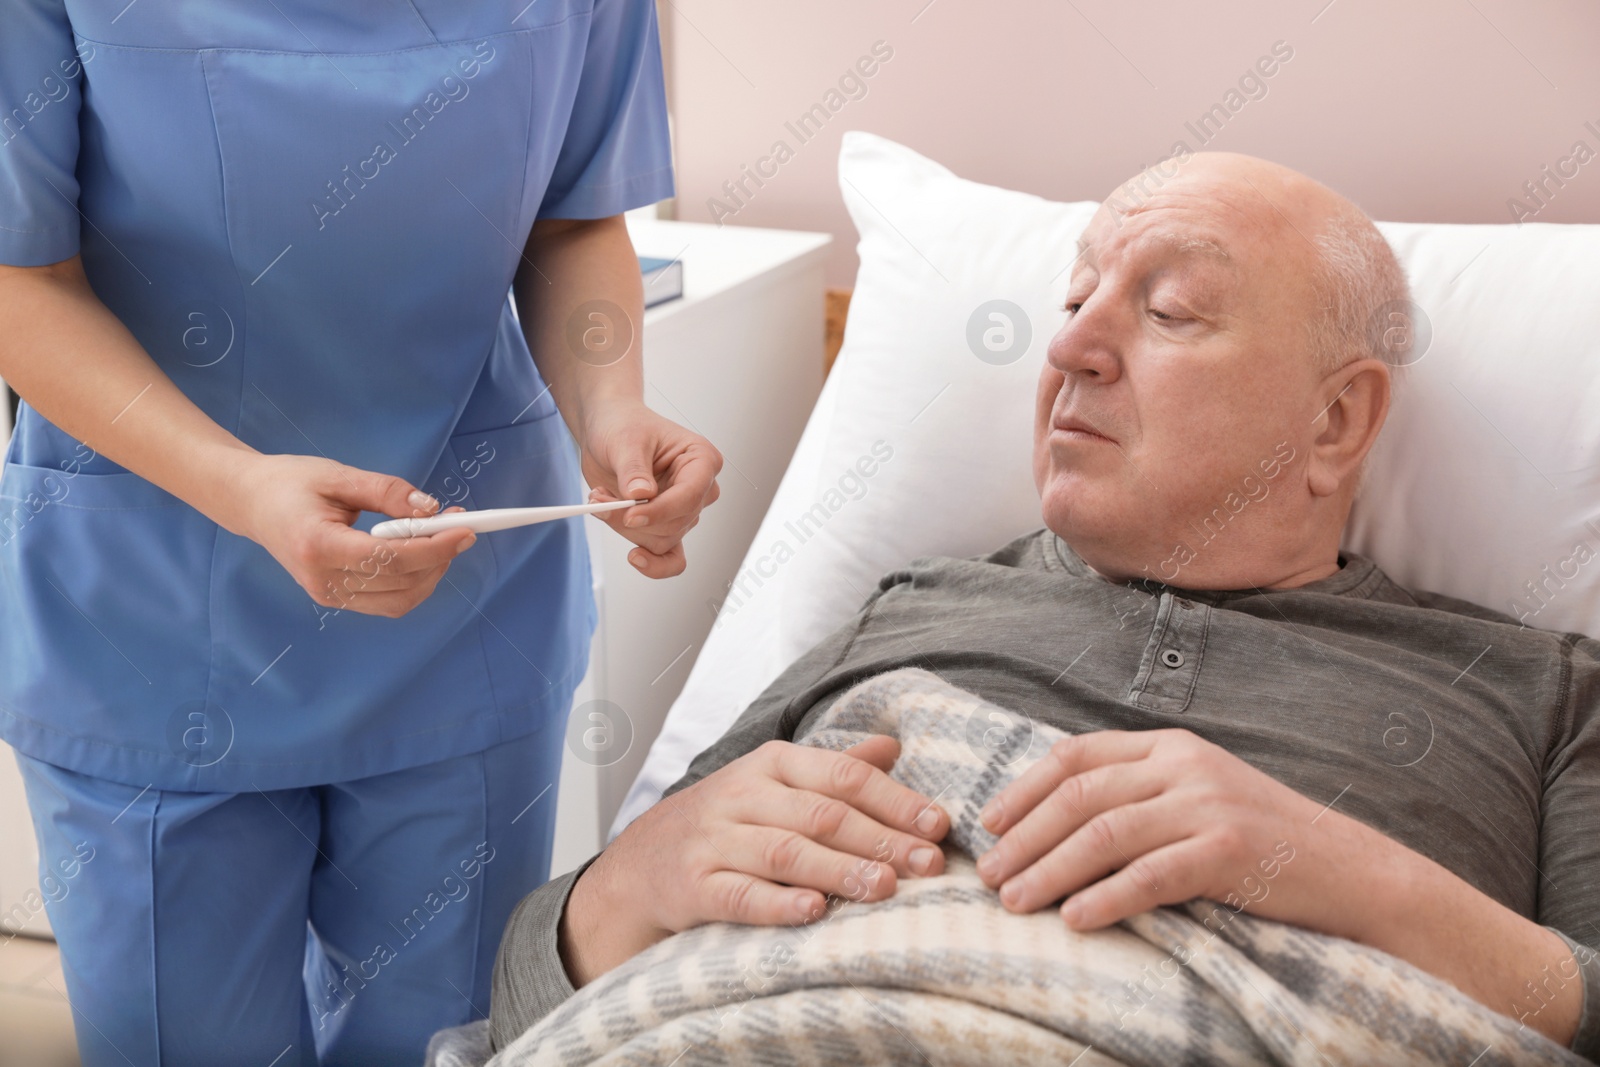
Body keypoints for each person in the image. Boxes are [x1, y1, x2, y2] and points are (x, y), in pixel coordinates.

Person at [486, 152, 1600, 1061]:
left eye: (1169, 310)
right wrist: (622, 888)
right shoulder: (911, 608)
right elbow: (532, 1001)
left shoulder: (1534, 690)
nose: (1068, 344)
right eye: (1072, 300)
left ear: (1336, 423)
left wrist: (1330, 865)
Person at [0, 1, 720, 1064]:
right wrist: (242, 488)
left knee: (449, 1037)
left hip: (465, 608)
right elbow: (21, 275)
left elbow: (571, 220)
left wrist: (611, 408)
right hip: (152, 607)